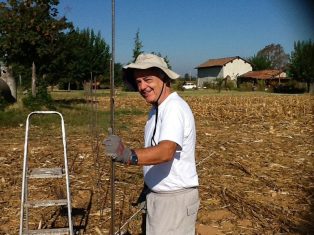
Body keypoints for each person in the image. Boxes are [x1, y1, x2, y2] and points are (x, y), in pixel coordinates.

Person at [104, 53, 199, 235]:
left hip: (174, 201)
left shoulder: (173, 108)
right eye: (138, 82)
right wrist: (150, 186)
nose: (142, 86)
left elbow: (165, 152)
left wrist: (126, 154)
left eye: (148, 79)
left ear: (163, 77)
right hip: (161, 197)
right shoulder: (156, 110)